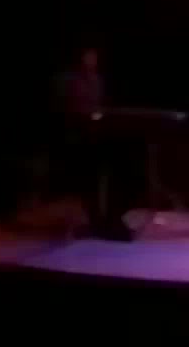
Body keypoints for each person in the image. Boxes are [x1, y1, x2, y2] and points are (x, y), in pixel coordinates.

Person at [54, 48, 137, 241]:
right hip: (76, 138)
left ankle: (111, 220)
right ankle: (96, 221)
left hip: (99, 136)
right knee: (88, 178)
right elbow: (64, 109)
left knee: (120, 169)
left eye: (94, 56)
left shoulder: (98, 80)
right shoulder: (66, 80)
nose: (92, 60)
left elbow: (100, 107)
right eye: (88, 56)